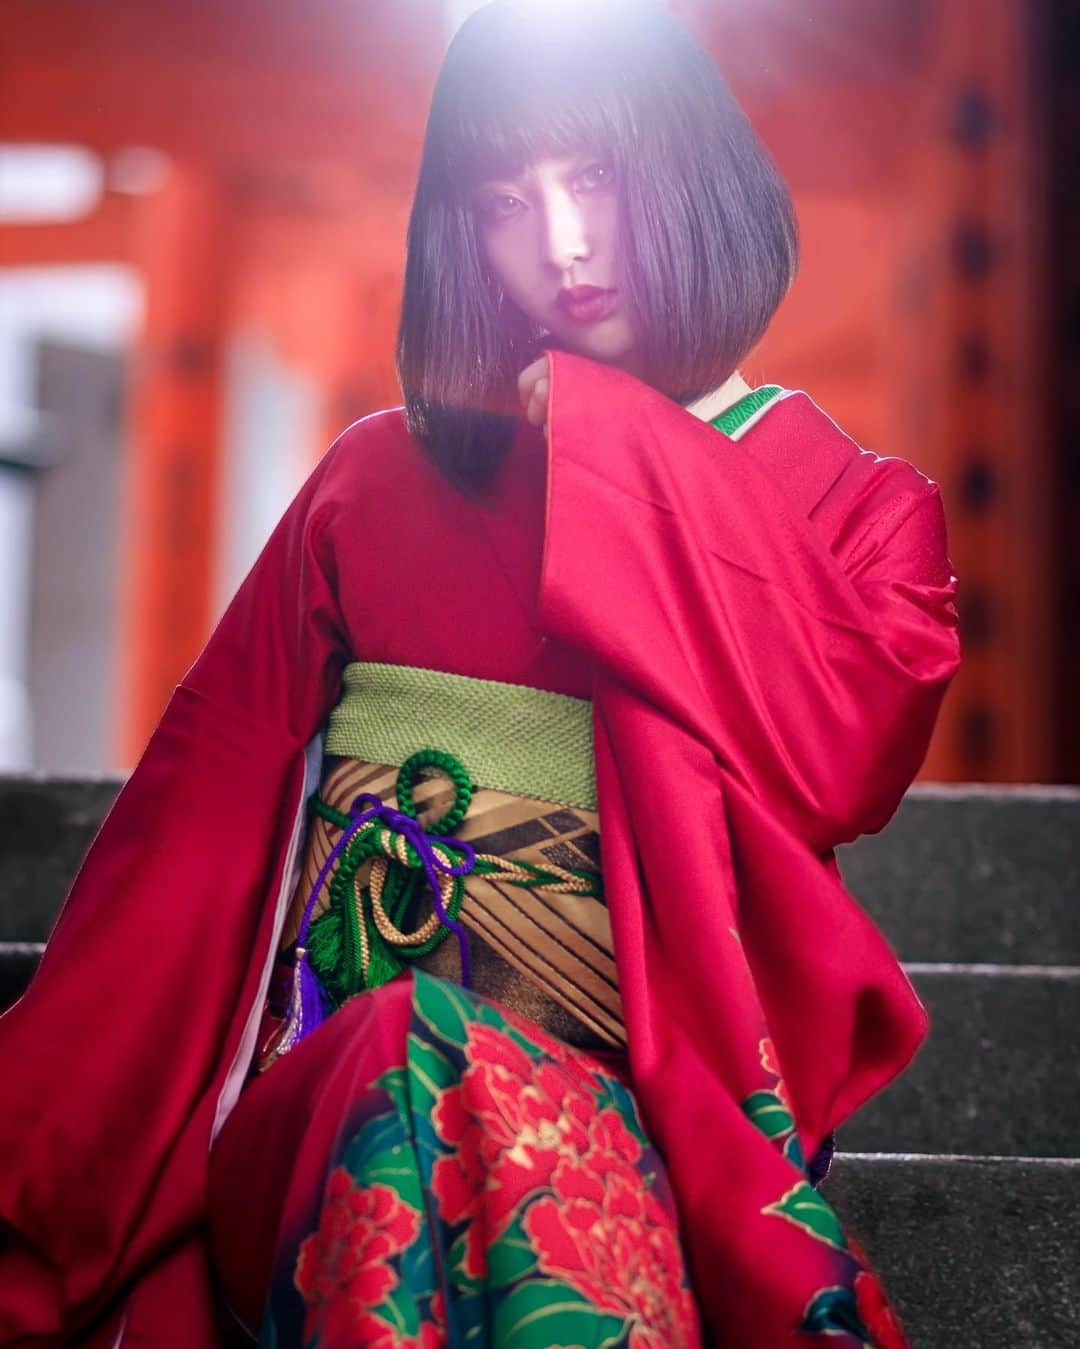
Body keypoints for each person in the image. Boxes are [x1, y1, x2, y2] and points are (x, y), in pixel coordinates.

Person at [0, 2, 961, 1345]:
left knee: (454, 1084)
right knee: (405, 1052)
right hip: (329, 1093)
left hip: (650, 1119)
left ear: (694, 177)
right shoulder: (374, 483)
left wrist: (612, 442)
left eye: (599, 181)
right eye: (506, 203)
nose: (561, 246)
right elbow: (183, 849)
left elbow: (844, 746)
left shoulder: (859, 514)